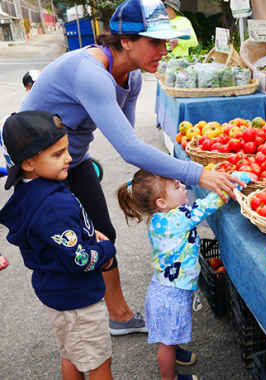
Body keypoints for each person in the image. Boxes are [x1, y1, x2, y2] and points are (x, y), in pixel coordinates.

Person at [19, 0, 245, 335]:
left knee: (103, 234)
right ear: (125, 41)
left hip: (72, 162)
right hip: (35, 170)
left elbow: (126, 143)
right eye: (155, 42)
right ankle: (80, 329)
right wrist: (199, 174)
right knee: (62, 248)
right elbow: (130, 148)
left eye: (165, 42)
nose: (164, 50)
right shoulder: (91, 73)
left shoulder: (132, 77)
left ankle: (117, 316)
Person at [0, 111, 117, 379]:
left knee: (72, 355)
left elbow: (61, 236)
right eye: (57, 154)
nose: (69, 158)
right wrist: (106, 250)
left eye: (66, 150)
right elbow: (80, 259)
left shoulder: (33, 191)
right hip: (78, 300)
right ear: (28, 163)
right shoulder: (53, 205)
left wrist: (87, 234)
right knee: (99, 363)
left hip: (59, 295)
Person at [117, 169, 252, 380]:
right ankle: (169, 377)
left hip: (164, 288)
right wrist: (235, 181)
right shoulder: (177, 219)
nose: (183, 188)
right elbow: (206, 205)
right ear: (161, 202)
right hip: (172, 294)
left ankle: (174, 350)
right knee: (166, 343)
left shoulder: (159, 219)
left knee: (169, 335)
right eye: (177, 187)